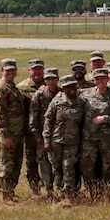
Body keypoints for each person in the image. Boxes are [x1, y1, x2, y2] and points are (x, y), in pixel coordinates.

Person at [80, 68, 110, 201]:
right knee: (87, 166)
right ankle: (93, 194)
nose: (100, 81)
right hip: (89, 138)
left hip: (107, 140)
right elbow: (69, 96)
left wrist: (106, 119)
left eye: (103, 78)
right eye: (97, 79)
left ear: (108, 79)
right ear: (93, 80)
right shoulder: (85, 94)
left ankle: (108, 194)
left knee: (108, 167)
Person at [43, 75, 86, 205]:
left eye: (73, 86)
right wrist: (46, 140)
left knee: (69, 168)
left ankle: (68, 196)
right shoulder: (56, 102)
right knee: (56, 169)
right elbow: (48, 121)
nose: (71, 89)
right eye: (68, 87)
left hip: (72, 142)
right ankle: (57, 193)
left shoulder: (82, 103)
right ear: (64, 89)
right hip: (56, 141)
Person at [0, 58, 26, 204]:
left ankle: (11, 192)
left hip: (17, 133)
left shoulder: (12, 87)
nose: (11, 72)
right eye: (8, 70)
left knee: (16, 164)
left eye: (13, 70)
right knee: (5, 165)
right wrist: (5, 135)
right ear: (2, 71)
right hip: (8, 135)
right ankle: (4, 195)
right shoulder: (1, 88)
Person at [16, 58, 45, 197]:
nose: (37, 72)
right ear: (29, 71)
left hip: (47, 132)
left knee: (48, 161)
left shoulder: (50, 84)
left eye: (40, 69)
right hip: (29, 133)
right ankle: (35, 190)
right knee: (31, 162)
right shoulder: (21, 87)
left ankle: (50, 188)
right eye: (34, 69)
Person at [29, 68, 59, 199]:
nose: (51, 82)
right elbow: (33, 119)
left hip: (59, 137)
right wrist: (37, 137)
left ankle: (60, 189)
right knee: (44, 163)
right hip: (42, 136)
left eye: (53, 79)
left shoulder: (62, 94)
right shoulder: (39, 95)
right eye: (48, 79)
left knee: (58, 164)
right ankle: (49, 190)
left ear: (58, 79)